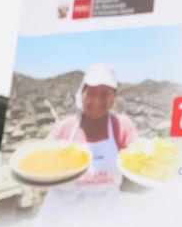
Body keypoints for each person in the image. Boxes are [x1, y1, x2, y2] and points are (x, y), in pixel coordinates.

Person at [44, 64, 137, 197]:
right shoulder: (65, 128)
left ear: (114, 97)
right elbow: (43, 162)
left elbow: (139, 161)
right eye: (92, 93)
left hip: (106, 209)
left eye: (105, 94)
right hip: (64, 209)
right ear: (82, 94)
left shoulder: (123, 127)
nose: (97, 100)